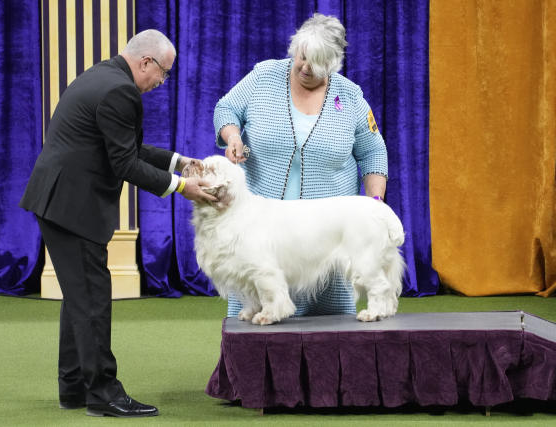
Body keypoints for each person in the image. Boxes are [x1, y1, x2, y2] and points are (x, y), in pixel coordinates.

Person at [19, 29, 216, 418]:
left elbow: (126, 147)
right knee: (92, 298)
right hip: (72, 206)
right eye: (163, 72)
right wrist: (182, 187)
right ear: (145, 62)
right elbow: (124, 163)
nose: (162, 82)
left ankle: (74, 387)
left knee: (80, 297)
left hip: (59, 200)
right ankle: (104, 393)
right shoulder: (119, 91)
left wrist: (178, 162)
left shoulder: (104, 77)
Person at [213, 14, 388, 318]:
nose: (305, 67)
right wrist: (233, 136)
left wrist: (373, 207)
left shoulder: (351, 97)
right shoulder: (264, 76)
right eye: (302, 57)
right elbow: (226, 108)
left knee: (329, 332)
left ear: (333, 65)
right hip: (261, 232)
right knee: (257, 318)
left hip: (324, 238)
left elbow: (374, 153)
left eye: (316, 63)